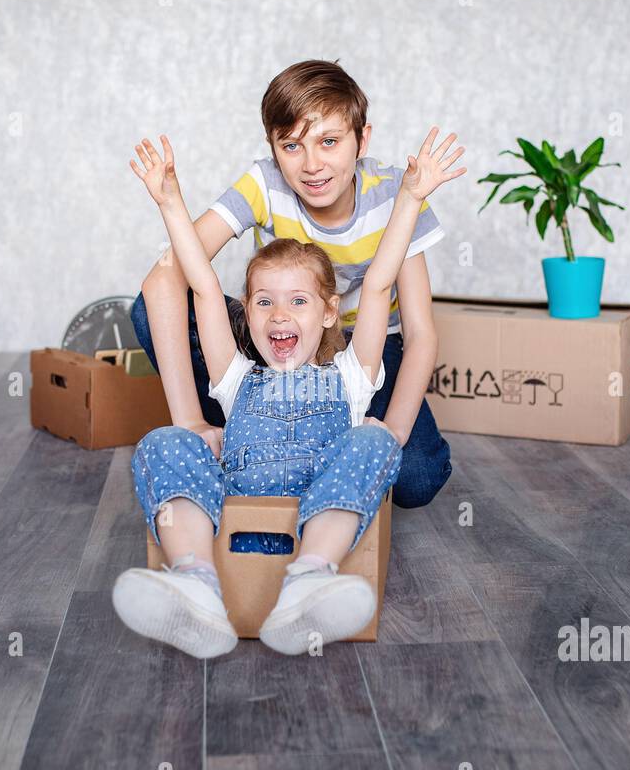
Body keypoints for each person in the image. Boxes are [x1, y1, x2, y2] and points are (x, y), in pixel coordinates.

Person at [114, 128, 465, 658]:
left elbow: (375, 283)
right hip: (239, 524)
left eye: (299, 301)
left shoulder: (352, 377)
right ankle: (195, 581)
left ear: (329, 313)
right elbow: (203, 285)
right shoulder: (234, 379)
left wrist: (411, 198)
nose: (280, 315)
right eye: (264, 303)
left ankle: (310, 580)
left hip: (313, 527)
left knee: (376, 441)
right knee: (163, 441)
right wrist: (170, 203)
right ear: (247, 313)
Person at [129, 59, 453, 509]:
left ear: (362, 139)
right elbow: (167, 279)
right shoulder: (264, 183)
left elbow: (419, 332)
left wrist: (394, 431)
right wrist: (189, 422)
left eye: (330, 142)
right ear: (273, 147)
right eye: (292, 145)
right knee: (151, 307)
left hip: (367, 345)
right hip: (279, 335)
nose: (312, 164)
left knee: (415, 477)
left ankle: (315, 448)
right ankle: (241, 438)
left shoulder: (397, 194)